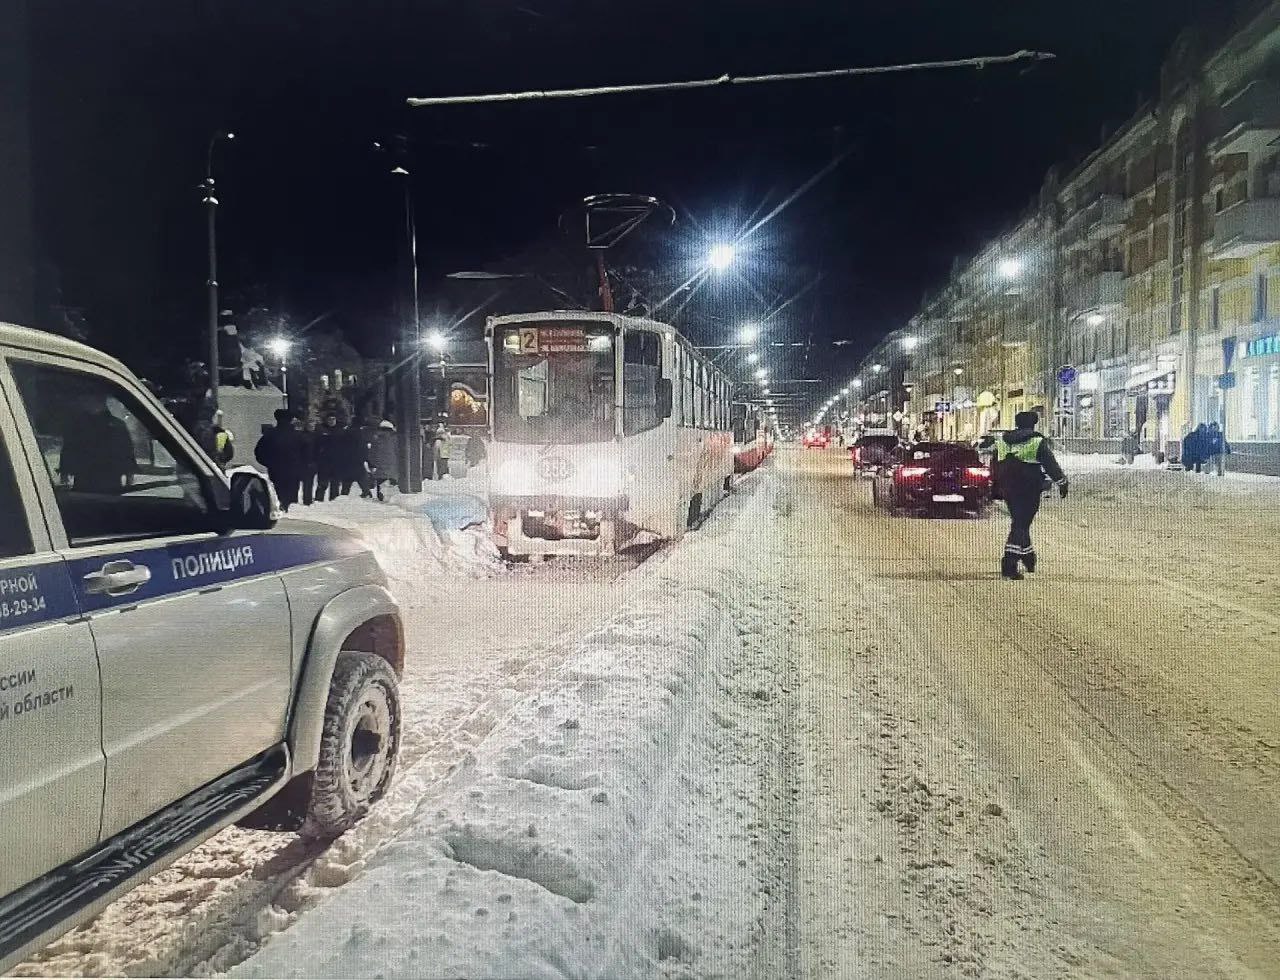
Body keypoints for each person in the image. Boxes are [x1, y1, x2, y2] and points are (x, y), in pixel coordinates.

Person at [991, 410, 1069, 581]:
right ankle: (1009, 564)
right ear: (1033, 424)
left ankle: (1028, 556)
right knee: (1021, 524)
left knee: (1020, 522)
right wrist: (1062, 482)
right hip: (1028, 488)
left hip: (1008, 488)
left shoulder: (1003, 441)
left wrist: (996, 486)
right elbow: (1050, 464)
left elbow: (994, 464)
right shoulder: (1036, 441)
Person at [254, 409, 304, 511]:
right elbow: (307, 453)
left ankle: (280, 506)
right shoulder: (298, 435)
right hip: (293, 469)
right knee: (290, 492)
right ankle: (286, 506)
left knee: (277, 491)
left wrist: (268, 463)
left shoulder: (270, 435)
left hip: (276, 469)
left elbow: (259, 451)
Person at [367, 417, 399, 501]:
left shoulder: (376, 440)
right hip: (393, 466)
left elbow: (372, 453)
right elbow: (398, 451)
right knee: (393, 484)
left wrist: (371, 463)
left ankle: (381, 496)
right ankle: (392, 498)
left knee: (380, 482)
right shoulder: (395, 439)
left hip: (380, 467)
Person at [313, 414, 344, 501]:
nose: (331, 421)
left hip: (337, 461)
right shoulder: (321, 430)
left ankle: (334, 500)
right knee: (323, 483)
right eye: (329, 419)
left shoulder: (340, 430)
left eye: (333, 419)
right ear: (326, 420)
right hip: (324, 461)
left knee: (335, 483)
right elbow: (316, 445)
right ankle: (319, 499)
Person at [299, 419, 319, 506]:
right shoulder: (302, 436)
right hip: (305, 462)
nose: (311, 427)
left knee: (310, 481)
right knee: (307, 482)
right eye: (310, 426)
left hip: (314, 461)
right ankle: (307, 499)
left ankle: (309, 498)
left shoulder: (315, 435)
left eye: (313, 426)